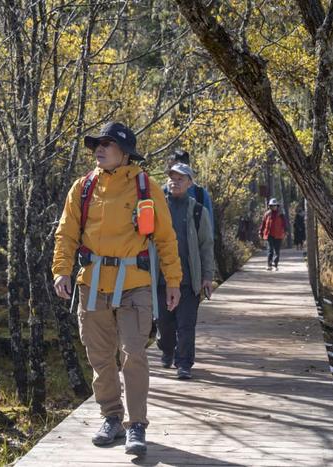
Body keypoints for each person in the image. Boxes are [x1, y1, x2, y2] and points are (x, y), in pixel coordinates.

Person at [52, 121, 182, 456]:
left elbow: (166, 238)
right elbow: (66, 234)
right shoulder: (82, 187)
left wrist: (173, 281)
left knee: (134, 355)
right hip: (92, 283)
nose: (99, 148)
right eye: (97, 143)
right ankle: (111, 416)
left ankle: (136, 425)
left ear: (124, 152)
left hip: (134, 284)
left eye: (107, 143)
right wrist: (61, 271)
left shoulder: (145, 187)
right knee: (99, 357)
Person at [157, 163, 214, 380]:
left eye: (181, 178)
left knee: (186, 325)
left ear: (190, 183)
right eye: (172, 177)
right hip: (161, 279)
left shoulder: (199, 211)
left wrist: (207, 277)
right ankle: (167, 350)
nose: (175, 181)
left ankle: (184, 364)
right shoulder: (157, 208)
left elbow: (206, 245)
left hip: (190, 279)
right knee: (164, 322)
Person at [165, 149, 214, 235]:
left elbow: (208, 230)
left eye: (178, 169)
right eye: (170, 169)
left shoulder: (200, 194)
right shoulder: (161, 193)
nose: (174, 172)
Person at [258, 198, 286, 271]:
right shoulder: (267, 214)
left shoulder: (281, 214)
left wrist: (286, 231)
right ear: (270, 206)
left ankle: (275, 265)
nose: (274, 207)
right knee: (270, 250)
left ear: (277, 206)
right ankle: (269, 264)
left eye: (275, 205)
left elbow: (284, 224)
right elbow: (263, 224)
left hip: (278, 234)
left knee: (277, 251)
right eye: (272, 205)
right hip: (269, 234)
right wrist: (260, 231)